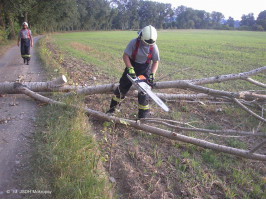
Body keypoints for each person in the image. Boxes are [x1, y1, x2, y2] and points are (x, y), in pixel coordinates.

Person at [107, 25, 160, 119]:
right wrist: (130, 68)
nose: (148, 45)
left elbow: (155, 62)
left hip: (144, 70)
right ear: (141, 37)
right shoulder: (133, 43)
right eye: (146, 43)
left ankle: (142, 116)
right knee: (121, 89)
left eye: (149, 44)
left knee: (144, 93)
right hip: (131, 67)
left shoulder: (154, 47)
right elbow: (125, 56)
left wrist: (152, 74)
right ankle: (113, 110)